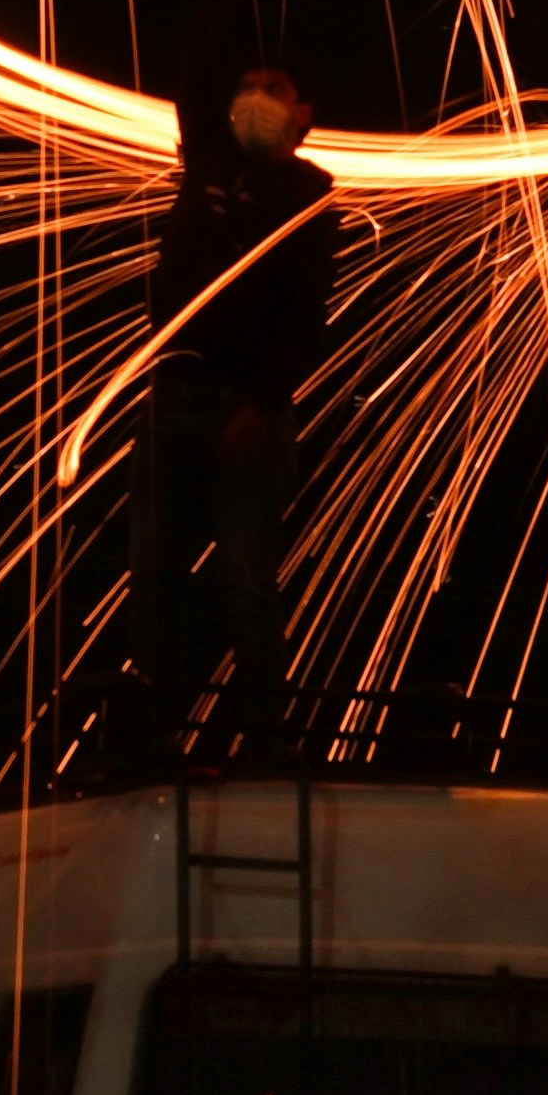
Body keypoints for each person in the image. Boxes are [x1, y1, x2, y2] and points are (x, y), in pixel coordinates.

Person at [130, 65, 340, 741]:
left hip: (247, 411)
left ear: (302, 114)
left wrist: (259, 403)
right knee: (153, 575)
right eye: (243, 84)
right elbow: (189, 71)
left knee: (245, 580)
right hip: (176, 398)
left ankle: (265, 739)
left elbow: (304, 317)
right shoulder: (209, 169)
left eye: (273, 87)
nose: (252, 97)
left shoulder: (308, 198)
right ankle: (157, 731)